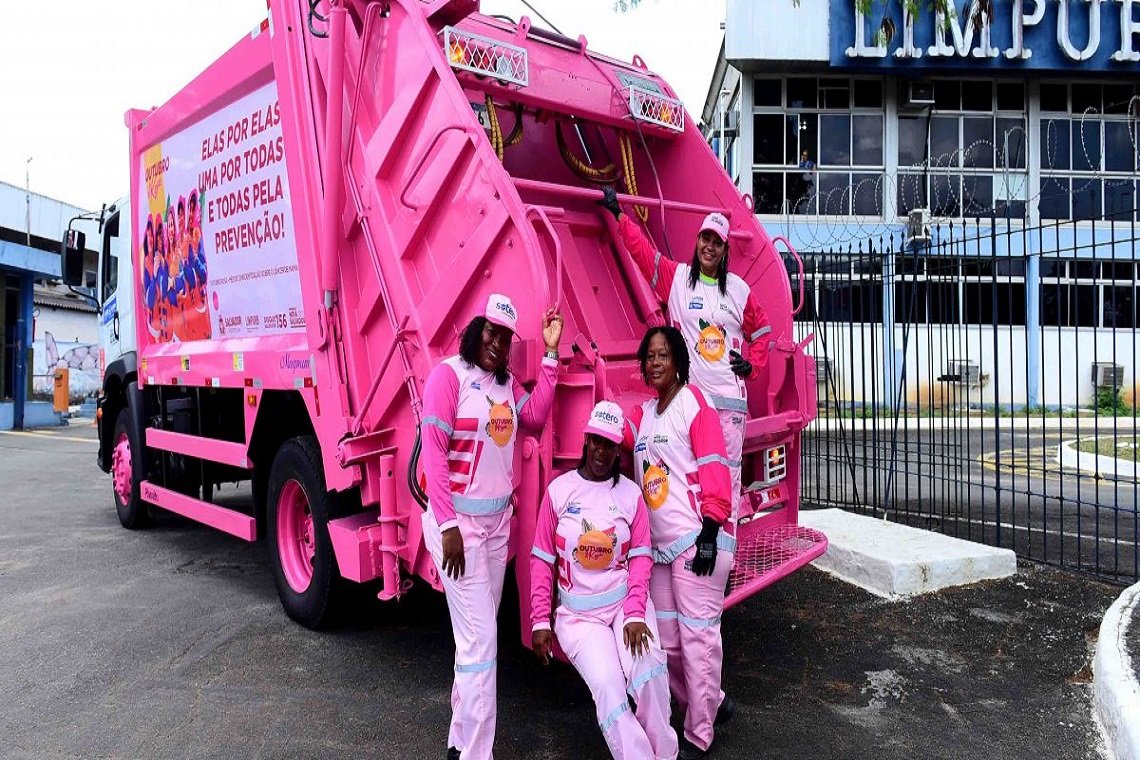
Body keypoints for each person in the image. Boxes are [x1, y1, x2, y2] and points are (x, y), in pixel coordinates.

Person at [420, 294, 563, 760]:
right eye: (490, 332)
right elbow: (433, 454)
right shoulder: (448, 377)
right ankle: (476, 753)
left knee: (473, 642)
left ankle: (458, 742)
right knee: (482, 642)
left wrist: (550, 354)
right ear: (475, 329)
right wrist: (447, 526)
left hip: (497, 527)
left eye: (504, 337)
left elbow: (535, 417)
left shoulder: (505, 385)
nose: (497, 343)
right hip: (458, 529)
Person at [600, 188, 771, 530]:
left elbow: (763, 330)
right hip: (691, 403)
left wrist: (753, 365)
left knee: (727, 479)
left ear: (725, 250)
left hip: (729, 406)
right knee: (693, 475)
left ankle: (724, 550)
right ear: (697, 242)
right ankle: (696, 544)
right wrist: (619, 214)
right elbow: (642, 253)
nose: (710, 247)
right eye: (706, 239)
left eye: (718, 242)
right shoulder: (676, 279)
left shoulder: (738, 290)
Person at [530, 401, 678, 760]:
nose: (601, 451)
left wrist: (635, 614)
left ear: (617, 450)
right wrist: (539, 620)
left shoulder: (630, 495)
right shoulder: (559, 491)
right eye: (596, 441)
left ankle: (666, 753)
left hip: (625, 607)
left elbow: (641, 557)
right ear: (586, 440)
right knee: (610, 689)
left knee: (648, 670)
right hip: (579, 619)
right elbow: (541, 559)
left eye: (610, 445)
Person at [623, 326, 735, 760]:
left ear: (678, 362)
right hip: (659, 551)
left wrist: (711, 530)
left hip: (696, 544)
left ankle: (699, 734)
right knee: (667, 644)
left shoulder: (695, 403)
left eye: (663, 355)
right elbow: (615, 437)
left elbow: (714, 466)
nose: (655, 363)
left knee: (698, 643)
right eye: (649, 356)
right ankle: (713, 702)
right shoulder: (646, 415)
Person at [796, 150, 816, 214]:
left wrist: (813, 168)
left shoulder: (809, 163)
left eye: (806, 155)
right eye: (803, 155)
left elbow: (814, 166)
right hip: (801, 183)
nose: (805, 157)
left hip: (808, 182)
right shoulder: (799, 162)